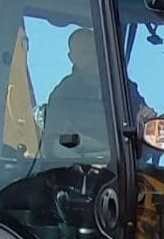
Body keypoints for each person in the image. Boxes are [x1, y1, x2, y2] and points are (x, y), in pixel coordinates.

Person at [42, 27, 154, 156]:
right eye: (85, 53)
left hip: (127, 164)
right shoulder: (63, 95)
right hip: (85, 168)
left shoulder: (124, 87)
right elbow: (53, 145)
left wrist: (145, 121)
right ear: (72, 57)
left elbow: (142, 123)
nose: (93, 58)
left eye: (97, 51)